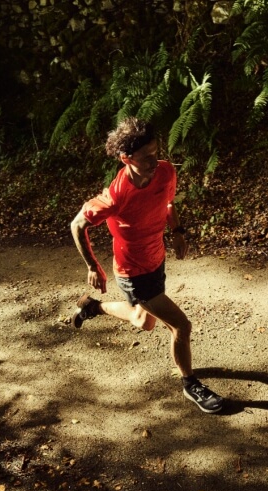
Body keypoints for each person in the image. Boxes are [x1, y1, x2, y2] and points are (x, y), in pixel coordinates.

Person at [69, 117, 224, 414]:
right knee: (181, 325)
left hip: (157, 259)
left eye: (156, 152)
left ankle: (93, 307)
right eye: (147, 157)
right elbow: (77, 225)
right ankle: (191, 384)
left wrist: (177, 232)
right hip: (132, 273)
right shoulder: (114, 197)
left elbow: (168, 203)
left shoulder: (165, 172)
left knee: (144, 321)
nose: (156, 160)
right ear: (126, 159)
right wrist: (92, 266)